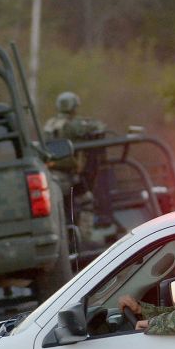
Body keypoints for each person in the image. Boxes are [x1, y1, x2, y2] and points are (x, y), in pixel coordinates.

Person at [43, 91, 116, 247]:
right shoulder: (72, 125)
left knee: (60, 208)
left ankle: (64, 238)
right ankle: (84, 237)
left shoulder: (50, 123)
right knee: (86, 201)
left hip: (53, 173)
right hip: (68, 175)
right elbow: (96, 127)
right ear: (73, 107)